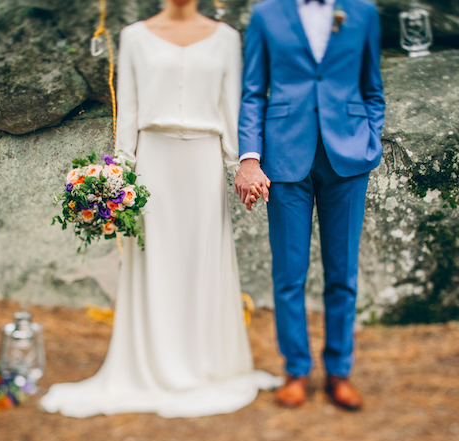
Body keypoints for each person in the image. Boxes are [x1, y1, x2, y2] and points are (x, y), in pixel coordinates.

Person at [40, 0, 281, 418]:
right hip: (153, 161)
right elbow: (128, 106)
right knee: (156, 260)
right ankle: (151, 362)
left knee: (202, 259)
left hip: (204, 160)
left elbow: (231, 105)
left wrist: (240, 164)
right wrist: (118, 174)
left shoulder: (226, 39)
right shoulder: (133, 37)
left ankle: (209, 363)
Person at [235, 0, 385, 409]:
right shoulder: (267, 14)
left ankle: (339, 371)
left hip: (348, 160)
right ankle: (296, 370)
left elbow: (373, 88)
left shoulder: (363, 13)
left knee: (342, 273)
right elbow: (252, 92)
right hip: (284, 160)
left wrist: (370, 140)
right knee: (289, 274)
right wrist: (250, 157)